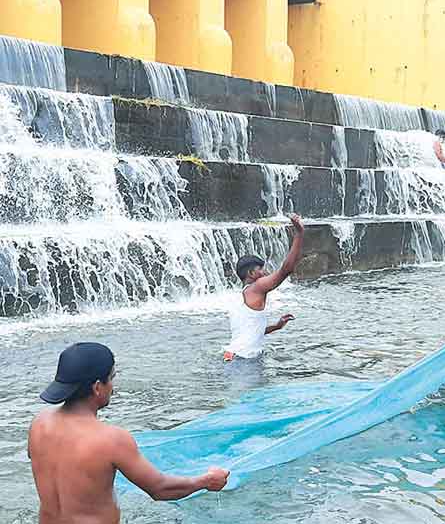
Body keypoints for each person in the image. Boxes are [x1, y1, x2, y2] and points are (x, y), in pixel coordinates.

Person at [29, 343, 229, 524]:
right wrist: (206, 481)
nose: (113, 388)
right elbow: (160, 489)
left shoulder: (39, 424)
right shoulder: (111, 439)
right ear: (97, 387)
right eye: (111, 378)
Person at [224, 213, 305, 362]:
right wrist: (299, 234)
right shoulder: (257, 287)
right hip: (245, 361)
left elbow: (249, 333)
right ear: (251, 273)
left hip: (232, 357)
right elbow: (286, 270)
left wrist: (276, 326)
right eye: (261, 269)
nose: (265, 272)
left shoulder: (239, 298)